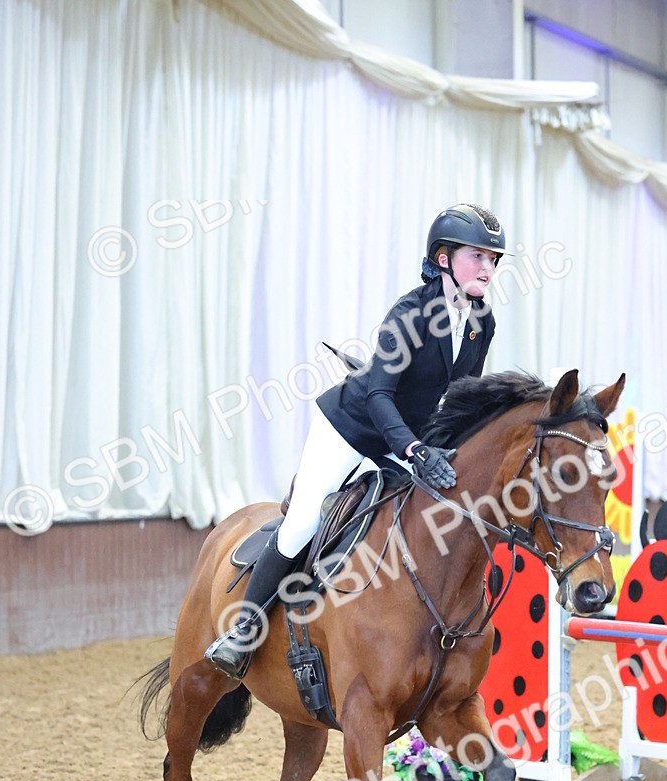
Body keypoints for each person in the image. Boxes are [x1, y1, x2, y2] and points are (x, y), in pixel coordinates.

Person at [205, 202, 508, 680]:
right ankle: (243, 630)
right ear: (445, 258)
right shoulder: (411, 314)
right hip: (352, 428)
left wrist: (447, 447)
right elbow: (380, 395)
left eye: (494, 259)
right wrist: (414, 451)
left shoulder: (480, 322)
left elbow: (461, 396)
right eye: (478, 256)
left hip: (408, 438)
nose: (488, 268)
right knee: (303, 522)